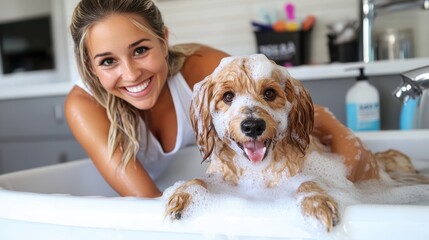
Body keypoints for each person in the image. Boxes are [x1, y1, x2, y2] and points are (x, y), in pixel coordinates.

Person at [65, 0, 378, 198]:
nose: (131, 74)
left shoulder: (201, 67)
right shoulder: (84, 106)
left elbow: (308, 116)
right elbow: (149, 206)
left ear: (164, 39)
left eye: (140, 50)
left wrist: (349, 188)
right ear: (90, 66)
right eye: (108, 61)